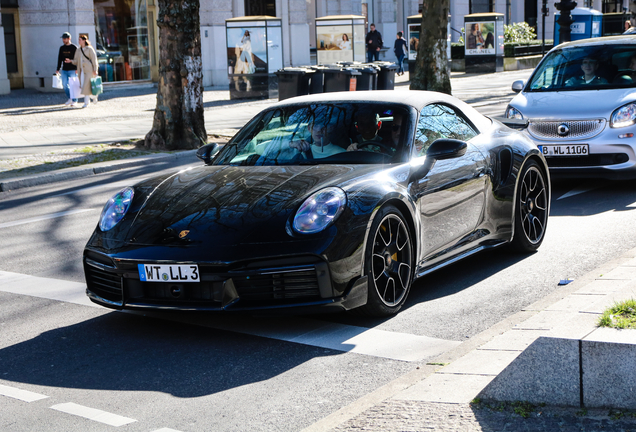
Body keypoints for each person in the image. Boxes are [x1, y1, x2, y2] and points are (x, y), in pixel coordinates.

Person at [65, 35, 99, 108]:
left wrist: (95, 69)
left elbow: (94, 59)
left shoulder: (89, 48)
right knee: (84, 85)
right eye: (78, 40)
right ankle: (93, 96)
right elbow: (76, 60)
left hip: (89, 70)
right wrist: (70, 61)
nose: (79, 41)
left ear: (84, 40)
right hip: (81, 71)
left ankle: (86, 102)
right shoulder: (78, 50)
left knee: (86, 85)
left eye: (80, 40)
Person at [55, 32, 78, 106]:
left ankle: (75, 100)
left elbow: (77, 59)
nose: (63, 40)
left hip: (73, 69)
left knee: (73, 85)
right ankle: (70, 98)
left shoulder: (74, 47)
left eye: (65, 39)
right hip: (64, 69)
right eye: (63, 39)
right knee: (64, 84)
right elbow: (59, 59)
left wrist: (77, 68)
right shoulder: (62, 48)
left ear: (69, 38)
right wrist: (58, 69)